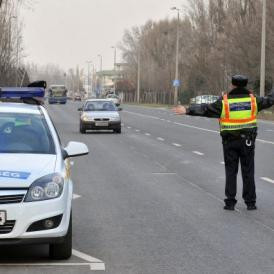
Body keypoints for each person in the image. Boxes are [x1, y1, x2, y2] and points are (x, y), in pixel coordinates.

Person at [173, 75, 274, 211]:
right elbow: (270, 100)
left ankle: (230, 202)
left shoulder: (224, 101)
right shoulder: (253, 101)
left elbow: (206, 109)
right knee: (248, 171)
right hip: (247, 141)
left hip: (229, 142)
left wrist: (187, 110)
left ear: (232, 85)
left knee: (231, 171)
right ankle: (250, 203)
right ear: (245, 86)